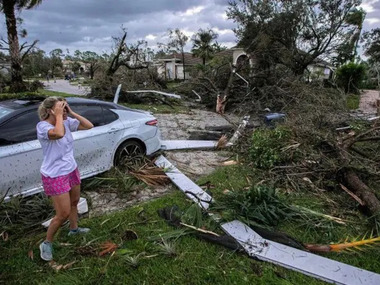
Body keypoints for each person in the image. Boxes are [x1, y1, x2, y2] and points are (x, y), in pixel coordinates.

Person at [37, 97, 94, 261]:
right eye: (60, 108)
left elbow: (89, 125)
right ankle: (47, 243)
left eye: (64, 107)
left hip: (71, 169)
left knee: (75, 202)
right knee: (62, 213)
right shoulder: (43, 127)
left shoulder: (66, 122)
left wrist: (70, 112)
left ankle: (74, 229)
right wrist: (60, 117)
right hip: (55, 175)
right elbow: (59, 133)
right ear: (50, 111)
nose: (64, 110)